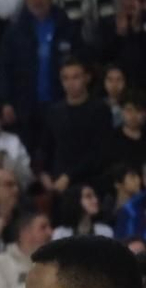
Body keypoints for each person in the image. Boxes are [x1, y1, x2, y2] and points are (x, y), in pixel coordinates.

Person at [0, 0, 80, 154]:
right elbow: (2, 68)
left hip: (60, 103)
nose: (37, 1)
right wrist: (4, 102)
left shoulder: (66, 26)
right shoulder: (15, 30)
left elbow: (81, 62)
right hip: (24, 106)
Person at [41, 57, 114, 195]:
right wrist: (44, 174)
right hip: (58, 184)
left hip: (90, 183)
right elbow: (46, 147)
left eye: (75, 77)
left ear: (87, 78)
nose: (70, 83)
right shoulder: (54, 112)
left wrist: (70, 176)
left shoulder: (100, 110)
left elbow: (100, 153)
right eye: (65, 78)